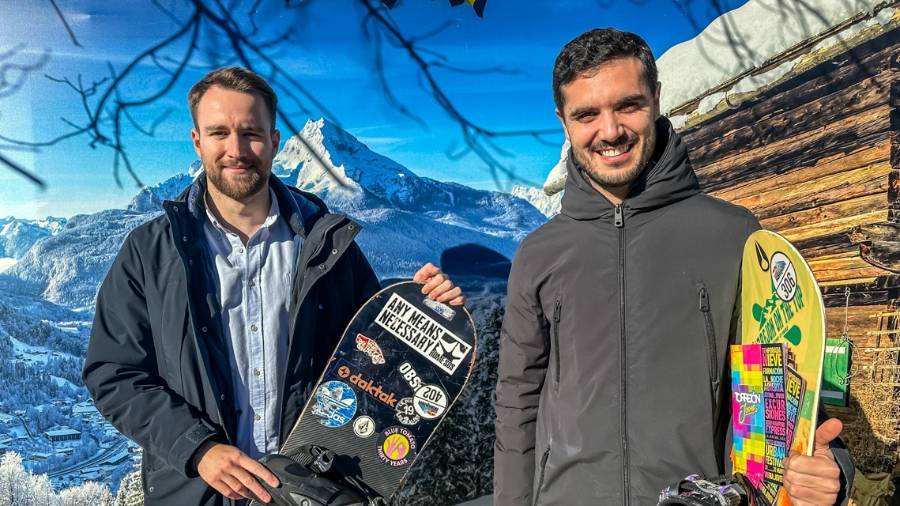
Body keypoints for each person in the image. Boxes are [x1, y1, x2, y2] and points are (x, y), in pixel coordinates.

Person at [493, 29, 853, 505]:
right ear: (563, 122)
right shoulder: (540, 252)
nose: (610, 130)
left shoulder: (732, 235)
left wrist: (830, 470)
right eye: (586, 114)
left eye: (628, 105)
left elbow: (786, 378)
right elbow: (517, 400)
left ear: (657, 99)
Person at [83, 67, 464, 505]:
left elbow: (374, 361)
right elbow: (114, 372)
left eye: (251, 133)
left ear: (276, 142)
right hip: (198, 493)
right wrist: (198, 448)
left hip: (310, 490)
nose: (237, 149)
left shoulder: (328, 246)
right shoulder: (151, 252)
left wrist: (422, 305)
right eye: (219, 133)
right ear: (197, 142)